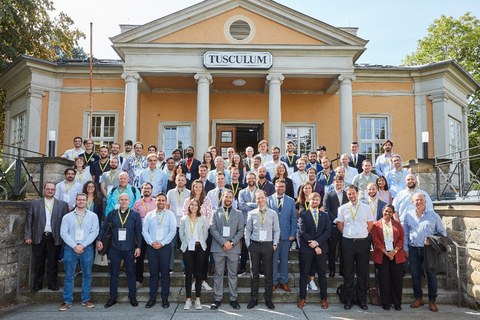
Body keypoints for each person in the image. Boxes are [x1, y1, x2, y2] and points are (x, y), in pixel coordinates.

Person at [97, 193, 142, 308]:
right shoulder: (112, 214)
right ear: (118, 201)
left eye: (126, 200)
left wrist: (139, 247)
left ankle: (132, 297)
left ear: (129, 201)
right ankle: (112, 298)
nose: (123, 201)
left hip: (129, 249)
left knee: (131, 273)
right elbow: (104, 228)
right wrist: (99, 240)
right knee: (114, 274)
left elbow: (138, 233)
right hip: (115, 248)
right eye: (121, 199)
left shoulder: (135, 215)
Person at [403, 193, 446, 312]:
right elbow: (405, 234)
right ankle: (418, 298)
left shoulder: (433, 215)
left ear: (425, 202)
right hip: (413, 249)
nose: (419, 202)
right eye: (416, 200)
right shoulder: (408, 216)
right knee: (415, 275)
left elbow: (443, 233)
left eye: (421, 200)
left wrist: (431, 240)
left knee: (431, 275)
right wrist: (405, 248)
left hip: (429, 250)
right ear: (413, 202)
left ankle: (432, 301)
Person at [24, 182, 69, 292]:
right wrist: (28, 236)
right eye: (48, 189)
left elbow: (66, 222)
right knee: (38, 262)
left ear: (55, 191)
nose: (50, 191)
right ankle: (37, 284)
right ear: (44, 190)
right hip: (38, 236)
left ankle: (52, 284)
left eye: (52, 189)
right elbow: (29, 221)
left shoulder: (63, 205)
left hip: (55, 237)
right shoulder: (34, 204)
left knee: (53, 262)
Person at [58, 193, 99, 311]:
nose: (81, 201)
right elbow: (63, 233)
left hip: (87, 248)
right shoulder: (67, 217)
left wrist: (83, 245)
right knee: (69, 275)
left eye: (83, 200)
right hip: (71, 249)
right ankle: (67, 300)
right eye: (79, 200)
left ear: (87, 201)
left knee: (87, 274)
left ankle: (86, 299)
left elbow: (94, 232)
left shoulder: (93, 216)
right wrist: (74, 245)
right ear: (75, 201)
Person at [337, 185, 374, 310]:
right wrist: (349, 235)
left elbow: (370, 225)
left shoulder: (366, 208)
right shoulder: (342, 208)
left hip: (362, 242)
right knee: (348, 273)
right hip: (347, 242)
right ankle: (348, 300)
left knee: (362, 273)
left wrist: (362, 235)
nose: (351, 196)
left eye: (353, 193)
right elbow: (340, 225)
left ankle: (362, 300)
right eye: (349, 194)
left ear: (358, 193)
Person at [245, 190, 280, 310]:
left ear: (266, 198)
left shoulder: (273, 213)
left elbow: (277, 230)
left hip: (268, 246)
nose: (260, 200)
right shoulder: (252, 213)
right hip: (254, 246)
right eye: (258, 198)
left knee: (268, 274)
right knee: (254, 274)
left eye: (262, 197)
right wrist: (248, 244)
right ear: (256, 200)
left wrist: (274, 244)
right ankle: (253, 299)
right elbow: (247, 230)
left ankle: (268, 299)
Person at [209, 190, 245, 310]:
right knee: (218, 274)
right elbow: (212, 229)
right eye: (226, 196)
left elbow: (241, 231)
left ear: (233, 199)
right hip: (218, 247)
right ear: (222, 198)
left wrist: (232, 242)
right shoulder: (215, 212)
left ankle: (233, 299)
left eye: (230, 197)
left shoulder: (239, 214)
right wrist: (223, 242)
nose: (228, 199)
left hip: (233, 249)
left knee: (233, 274)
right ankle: (217, 298)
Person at [142, 193, 177, 309]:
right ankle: (152, 298)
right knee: (153, 274)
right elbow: (144, 231)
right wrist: (151, 242)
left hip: (165, 247)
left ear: (166, 202)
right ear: (155, 202)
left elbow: (172, 231)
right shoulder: (149, 215)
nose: (161, 202)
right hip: (151, 247)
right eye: (158, 200)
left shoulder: (170, 215)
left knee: (165, 274)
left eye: (163, 200)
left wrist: (162, 243)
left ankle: (164, 299)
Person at [297, 192, 331, 309]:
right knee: (304, 274)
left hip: (321, 249)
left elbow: (327, 231)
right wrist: (314, 245)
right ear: (309, 201)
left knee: (322, 274)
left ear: (320, 201)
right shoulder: (303, 215)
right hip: (307, 249)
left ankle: (324, 299)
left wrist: (317, 243)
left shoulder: (325, 215)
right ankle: (302, 298)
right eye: (313, 200)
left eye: (317, 200)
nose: (315, 202)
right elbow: (302, 231)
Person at [371, 204, 406, 311]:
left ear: (392, 213)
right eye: (386, 211)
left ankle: (397, 303)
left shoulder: (397, 224)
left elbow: (401, 238)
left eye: (390, 212)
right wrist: (386, 252)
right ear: (382, 211)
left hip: (396, 254)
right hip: (382, 254)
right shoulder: (376, 225)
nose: (388, 213)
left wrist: (394, 251)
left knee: (397, 280)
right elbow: (375, 240)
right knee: (384, 280)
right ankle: (385, 302)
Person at [180, 199, 209, 310]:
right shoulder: (184, 219)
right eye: (191, 204)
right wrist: (186, 243)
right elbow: (181, 234)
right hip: (188, 248)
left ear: (198, 207)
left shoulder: (202, 219)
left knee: (199, 274)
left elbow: (205, 234)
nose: (193, 206)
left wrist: (198, 242)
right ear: (189, 206)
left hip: (199, 247)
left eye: (196, 205)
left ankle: (197, 299)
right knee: (188, 274)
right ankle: (188, 299)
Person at [267, 179, 296, 292]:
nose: (280, 188)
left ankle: (284, 282)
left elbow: (293, 218)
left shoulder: (291, 201)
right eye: (278, 186)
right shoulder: (268, 199)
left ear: (285, 187)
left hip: (286, 236)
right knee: (273, 261)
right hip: (272, 236)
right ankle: (274, 282)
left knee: (284, 260)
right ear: (275, 187)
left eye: (282, 186)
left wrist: (293, 233)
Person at [185, 179, 214, 291]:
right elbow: (185, 216)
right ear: (192, 188)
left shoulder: (207, 200)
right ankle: (194, 280)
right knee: (192, 258)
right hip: (191, 235)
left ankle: (202, 280)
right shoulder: (187, 201)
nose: (197, 189)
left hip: (204, 234)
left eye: (200, 187)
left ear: (203, 189)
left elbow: (210, 216)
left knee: (204, 258)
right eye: (195, 187)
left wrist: (204, 229)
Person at [132, 183, 157, 289]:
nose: (146, 190)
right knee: (140, 258)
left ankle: (155, 279)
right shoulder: (137, 203)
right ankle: (139, 279)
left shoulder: (156, 202)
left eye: (148, 188)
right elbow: (133, 218)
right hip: (140, 234)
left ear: (152, 190)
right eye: (144, 188)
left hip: (153, 234)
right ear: (141, 190)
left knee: (154, 258)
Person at [323, 176, 348, 278]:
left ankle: (343, 270)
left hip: (345, 226)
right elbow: (326, 208)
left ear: (343, 183)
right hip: (333, 226)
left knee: (344, 249)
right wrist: (336, 220)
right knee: (332, 249)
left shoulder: (347, 194)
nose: (338, 184)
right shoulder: (329, 194)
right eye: (336, 182)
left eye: (340, 182)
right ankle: (332, 270)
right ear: (333, 183)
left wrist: (343, 220)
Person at [166, 174, 191, 273]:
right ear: (175, 181)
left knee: (184, 246)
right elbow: (167, 207)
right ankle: (170, 267)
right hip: (172, 223)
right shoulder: (170, 192)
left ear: (185, 181)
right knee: (171, 246)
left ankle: (184, 267)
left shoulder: (189, 193)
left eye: (182, 180)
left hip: (184, 224)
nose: (180, 181)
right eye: (178, 180)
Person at [237, 172, 258, 275]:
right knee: (245, 246)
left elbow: (261, 205)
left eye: (253, 178)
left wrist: (248, 204)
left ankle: (258, 268)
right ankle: (242, 268)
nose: (251, 180)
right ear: (246, 180)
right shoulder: (241, 192)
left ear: (255, 179)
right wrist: (254, 205)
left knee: (258, 245)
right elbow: (241, 206)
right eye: (249, 178)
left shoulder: (259, 192)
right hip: (245, 222)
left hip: (258, 222)